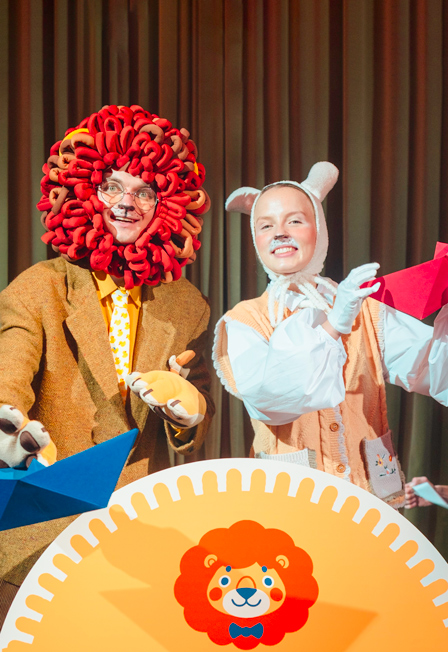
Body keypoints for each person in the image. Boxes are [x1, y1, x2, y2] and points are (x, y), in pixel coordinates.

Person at [0, 105, 214, 622]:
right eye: (111, 187)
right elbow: (10, 371)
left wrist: (191, 412)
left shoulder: (186, 304)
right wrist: (6, 425)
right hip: (40, 541)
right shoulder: (39, 288)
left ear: (167, 203)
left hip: (141, 536)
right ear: (82, 192)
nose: (126, 203)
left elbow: (197, 420)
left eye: (145, 192)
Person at [213, 161, 445, 510]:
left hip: (372, 502)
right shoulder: (245, 320)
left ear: (319, 229)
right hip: (293, 506)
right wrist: (334, 324)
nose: (280, 233)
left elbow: (433, 369)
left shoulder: (366, 309)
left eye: (295, 220)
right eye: (266, 225)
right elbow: (272, 400)